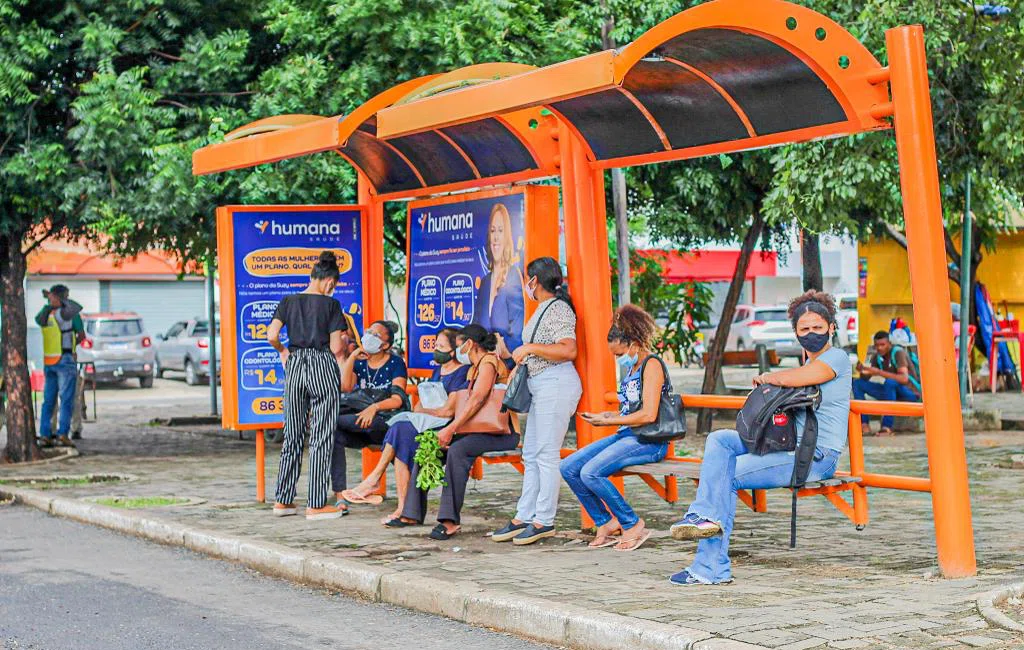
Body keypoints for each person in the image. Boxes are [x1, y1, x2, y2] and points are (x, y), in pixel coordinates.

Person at [669, 290, 851, 586]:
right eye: (804, 329)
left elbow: (799, 378)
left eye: (818, 327)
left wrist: (769, 377)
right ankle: (702, 516)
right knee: (720, 440)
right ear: (795, 332)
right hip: (788, 444)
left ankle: (710, 568)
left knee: (725, 476)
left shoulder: (837, 359)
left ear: (831, 327)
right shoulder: (805, 365)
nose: (811, 334)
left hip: (815, 456)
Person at [560, 304, 668, 552]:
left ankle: (632, 523)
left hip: (649, 441)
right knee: (568, 467)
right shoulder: (632, 368)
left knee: (591, 472)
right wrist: (610, 415)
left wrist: (609, 421)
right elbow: (631, 409)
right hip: (628, 435)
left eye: (620, 354)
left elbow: (649, 414)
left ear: (634, 343)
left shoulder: (652, 365)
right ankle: (605, 522)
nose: (618, 360)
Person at [491, 257, 581, 545]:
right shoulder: (543, 308)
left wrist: (528, 347)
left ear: (535, 281)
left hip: (556, 383)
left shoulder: (558, 309)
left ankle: (544, 519)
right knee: (531, 454)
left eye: (527, 279)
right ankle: (524, 515)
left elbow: (568, 349)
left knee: (546, 454)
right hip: (542, 384)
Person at [399, 324, 519, 540]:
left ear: (469, 344)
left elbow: (478, 398)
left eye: (458, 345)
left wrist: (451, 429)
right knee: (430, 446)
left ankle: (449, 521)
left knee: (458, 450)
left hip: (500, 432)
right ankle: (412, 513)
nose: (457, 351)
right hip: (477, 430)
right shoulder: (473, 367)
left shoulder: (489, 362)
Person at [342, 327, 469, 524]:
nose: (437, 350)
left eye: (442, 346)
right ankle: (400, 507)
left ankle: (375, 482)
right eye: (436, 345)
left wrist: (421, 413)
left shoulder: (461, 372)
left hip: (445, 427)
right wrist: (419, 413)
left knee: (400, 430)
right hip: (426, 422)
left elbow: (448, 411)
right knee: (400, 432)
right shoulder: (438, 371)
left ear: (454, 350)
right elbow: (421, 403)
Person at [267, 251, 349, 520]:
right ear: (329, 282)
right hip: (321, 364)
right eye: (333, 285)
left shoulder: (288, 301)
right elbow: (337, 347)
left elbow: (272, 335)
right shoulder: (332, 305)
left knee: (292, 435)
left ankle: (283, 500)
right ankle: (316, 503)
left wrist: (282, 351)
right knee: (321, 435)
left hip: (294, 365)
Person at [333, 320, 408, 503]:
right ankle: (339, 492)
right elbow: (346, 386)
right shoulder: (360, 362)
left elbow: (397, 400)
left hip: (385, 420)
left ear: (385, 345)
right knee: (333, 433)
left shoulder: (396, 363)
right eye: (368, 331)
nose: (369, 336)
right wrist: (352, 357)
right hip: (363, 424)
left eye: (376, 335)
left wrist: (374, 408)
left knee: (330, 420)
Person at [473, 203, 525, 359]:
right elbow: (476, 326)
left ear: (507, 235)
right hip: (483, 363)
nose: (495, 237)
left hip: (508, 364)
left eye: (500, 231)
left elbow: (517, 329)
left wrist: (504, 350)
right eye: (493, 231)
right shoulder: (484, 282)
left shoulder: (513, 275)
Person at [35, 284, 85, 448]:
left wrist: (50, 300)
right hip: (65, 360)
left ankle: (45, 435)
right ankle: (63, 434)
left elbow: (38, 320)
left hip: (49, 362)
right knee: (66, 400)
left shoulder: (45, 314)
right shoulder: (68, 313)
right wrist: (71, 346)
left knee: (48, 402)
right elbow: (78, 310)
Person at [853, 330, 921, 436]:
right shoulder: (877, 356)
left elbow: (904, 379)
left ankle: (886, 426)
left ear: (889, 343)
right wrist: (862, 370)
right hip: (890, 392)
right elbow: (866, 378)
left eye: (882, 345)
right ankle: (864, 424)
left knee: (889, 382)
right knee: (857, 383)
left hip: (909, 393)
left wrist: (879, 372)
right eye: (876, 345)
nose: (879, 348)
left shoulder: (898, 353)